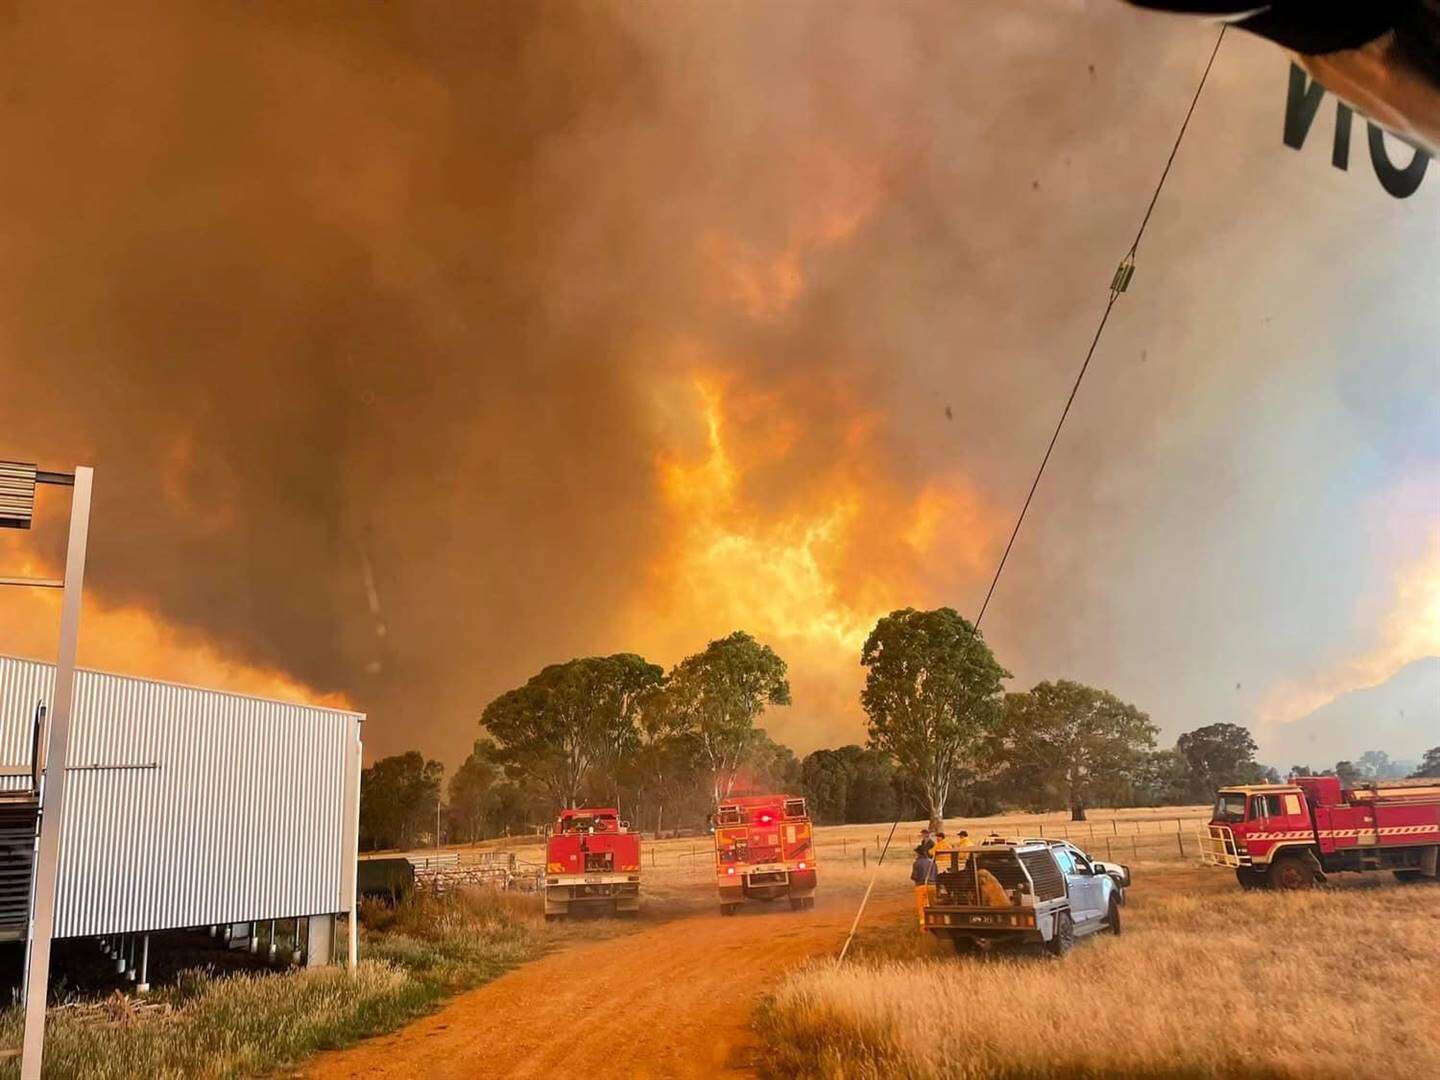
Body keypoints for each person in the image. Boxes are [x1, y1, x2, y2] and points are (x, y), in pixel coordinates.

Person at [910, 848, 937, 929]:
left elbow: (914, 876)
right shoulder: (932, 863)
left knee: (921, 906)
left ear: (919, 854)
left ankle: (923, 925)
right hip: (932, 886)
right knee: (932, 905)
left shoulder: (916, 863)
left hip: (921, 886)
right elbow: (936, 875)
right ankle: (934, 922)